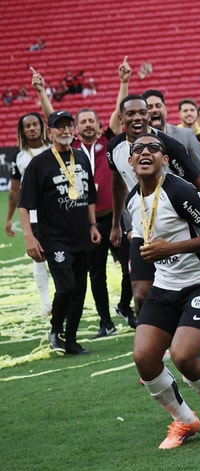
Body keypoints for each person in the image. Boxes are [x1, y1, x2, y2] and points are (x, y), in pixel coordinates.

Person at [126, 133, 200, 449]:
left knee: (183, 355)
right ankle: (184, 419)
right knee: (144, 357)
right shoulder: (133, 200)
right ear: (131, 161)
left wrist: (170, 248)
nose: (145, 152)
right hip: (165, 287)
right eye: (138, 149)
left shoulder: (179, 190)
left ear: (165, 159)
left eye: (154, 148)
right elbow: (141, 241)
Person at [32, 64, 133, 336]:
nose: (88, 124)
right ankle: (105, 322)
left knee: (131, 267)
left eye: (93, 121)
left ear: (100, 126)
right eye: (83, 121)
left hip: (115, 218)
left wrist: (123, 82)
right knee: (96, 275)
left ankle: (126, 306)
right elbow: (52, 118)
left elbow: (118, 112)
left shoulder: (108, 141)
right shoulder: (70, 148)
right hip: (87, 223)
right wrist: (41, 91)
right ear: (76, 128)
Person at [107, 93, 200, 326]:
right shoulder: (114, 148)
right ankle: (157, 343)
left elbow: (197, 179)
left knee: (184, 280)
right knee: (140, 293)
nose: (138, 117)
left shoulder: (168, 145)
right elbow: (118, 182)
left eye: (143, 112)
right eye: (131, 113)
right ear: (122, 118)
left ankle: (192, 321)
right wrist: (116, 223)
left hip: (175, 222)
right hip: (141, 224)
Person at [18, 110, 100, 355]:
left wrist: (93, 225)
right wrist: (29, 237)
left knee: (80, 290)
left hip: (81, 236)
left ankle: (71, 340)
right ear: (50, 131)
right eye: (59, 127)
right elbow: (24, 205)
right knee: (66, 288)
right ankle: (56, 330)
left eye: (68, 126)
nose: (65, 131)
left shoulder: (82, 158)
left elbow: (90, 197)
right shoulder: (38, 164)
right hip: (54, 239)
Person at [6, 112, 53, 316]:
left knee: (63, 257)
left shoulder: (53, 148)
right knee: (39, 258)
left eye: (36, 124)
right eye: (28, 126)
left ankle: (65, 297)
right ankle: (46, 304)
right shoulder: (19, 156)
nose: (33, 128)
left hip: (58, 214)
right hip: (34, 216)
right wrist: (9, 218)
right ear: (22, 131)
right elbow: (15, 191)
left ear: (42, 127)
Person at [143, 89, 200, 196]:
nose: (154, 110)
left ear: (165, 109)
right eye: (149, 107)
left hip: (186, 201)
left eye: (158, 106)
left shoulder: (186, 135)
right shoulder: (138, 142)